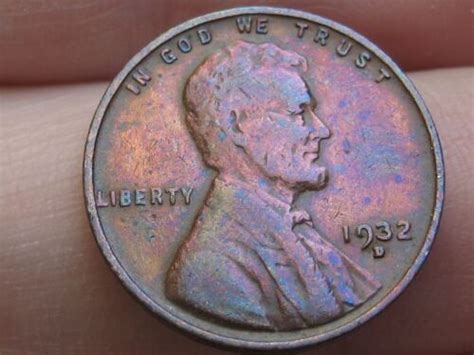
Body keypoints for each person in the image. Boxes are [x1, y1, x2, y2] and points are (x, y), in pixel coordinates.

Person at [166, 41, 381, 330]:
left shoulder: (296, 232)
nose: (321, 130)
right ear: (237, 126)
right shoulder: (209, 269)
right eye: (298, 113)